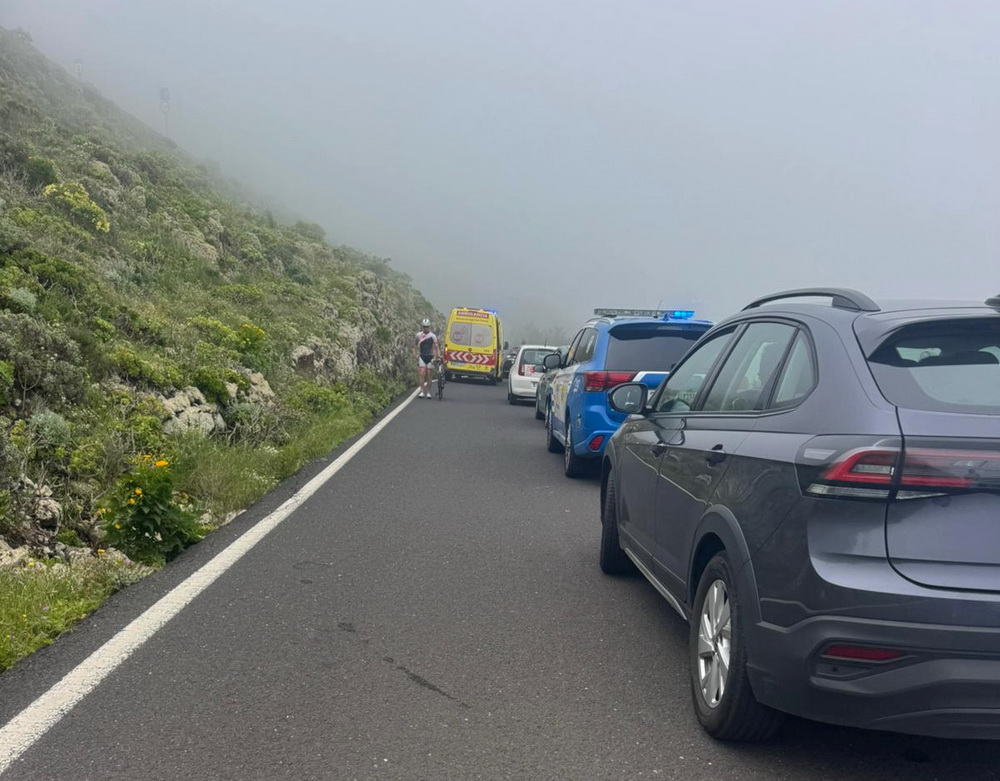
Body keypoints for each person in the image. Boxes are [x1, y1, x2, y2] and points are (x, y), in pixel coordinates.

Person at [415, 318, 441, 398]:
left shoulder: (433, 336)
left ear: (429, 327)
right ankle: (422, 391)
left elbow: (436, 347)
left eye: (427, 327)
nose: (425, 328)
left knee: (429, 374)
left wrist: (438, 356)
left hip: (430, 357)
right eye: (424, 327)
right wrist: (415, 354)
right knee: (422, 373)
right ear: (422, 327)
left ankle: (429, 392)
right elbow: (415, 345)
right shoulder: (418, 335)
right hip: (422, 356)